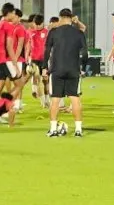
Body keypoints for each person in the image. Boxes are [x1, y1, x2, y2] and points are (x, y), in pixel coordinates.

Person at [43, 8, 87, 137]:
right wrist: (83, 67)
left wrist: (44, 67)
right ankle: (78, 130)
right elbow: (84, 53)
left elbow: (46, 50)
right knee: (75, 99)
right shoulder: (79, 33)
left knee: (55, 99)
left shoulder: (54, 32)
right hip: (73, 69)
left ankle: (53, 129)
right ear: (71, 18)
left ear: (61, 17)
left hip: (57, 69)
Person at [28, 14, 49, 107]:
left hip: (44, 59)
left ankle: (47, 99)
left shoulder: (47, 32)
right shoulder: (30, 32)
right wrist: (27, 58)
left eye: (39, 24)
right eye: (36, 24)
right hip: (34, 59)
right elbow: (27, 46)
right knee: (37, 77)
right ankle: (42, 100)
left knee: (45, 80)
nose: (37, 26)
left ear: (42, 23)